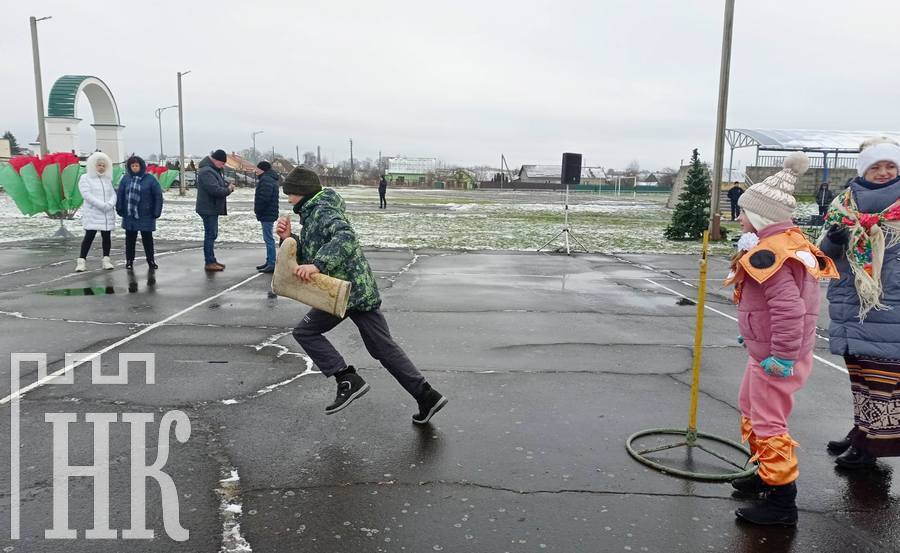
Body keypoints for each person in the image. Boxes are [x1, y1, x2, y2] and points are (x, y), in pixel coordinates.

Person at [276, 166, 448, 423]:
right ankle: (427, 397)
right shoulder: (313, 213)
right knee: (383, 347)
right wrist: (290, 239)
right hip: (357, 290)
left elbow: (346, 238)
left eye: (290, 193)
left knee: (305, 332)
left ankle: (347, 379)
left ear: (301, 192)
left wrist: (318, 265)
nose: (288, 199)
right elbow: (314, 250)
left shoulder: (322, 210)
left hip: (343, 293)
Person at [724, 153, 838, 526]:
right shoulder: (786, 242)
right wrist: (756, 336)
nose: (740, 219)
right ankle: (764, 474)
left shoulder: (770, 253)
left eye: (743, 213)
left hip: (777, 357)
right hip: (766, 351)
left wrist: (783, 355)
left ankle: (781, 501)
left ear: (759, 216)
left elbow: (791, 310)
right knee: (749, 407)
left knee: (769, 421)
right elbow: (774, 309)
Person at [818, 137, 900, 469]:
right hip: (851, 301)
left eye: (890, 166)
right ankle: (862, 431)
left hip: (889, 303)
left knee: (882, 378)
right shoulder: (845, 204)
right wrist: (833, 240)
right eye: (876, 166)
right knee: (860, 376)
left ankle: (872, 447)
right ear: (863, 169)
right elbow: (825, 251)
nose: (883, 172)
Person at [116, 155, 163, 271]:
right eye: (132, 166)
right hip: (130, 215)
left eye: (137, 165)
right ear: (129, 167)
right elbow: (120, 194)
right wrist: (120, 208)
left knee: (147, 239)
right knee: (130, 240)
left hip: (146, 214)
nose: (135, 168)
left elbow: (158, 196)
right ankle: (129, 261)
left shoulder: (150, 179)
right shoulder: (126, 179)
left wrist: (157, 211)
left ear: (141, 166)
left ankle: (151, 260)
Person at [75, 151, 117, 272]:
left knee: (106, 237)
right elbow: (86, 195)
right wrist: (101, 205)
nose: (101, 167)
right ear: (94, 165)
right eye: (99, 165)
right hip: (93, 213)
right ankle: (81, 261)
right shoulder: (85, 178)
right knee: (89, 237)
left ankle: (106, 260)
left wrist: (110, 204)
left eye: (104, 165)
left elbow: (113, 194)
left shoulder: (107, 180)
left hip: (106, 214)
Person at [196, 149, 235, 271]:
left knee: (212, 234)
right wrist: (228, 190)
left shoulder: (213, 170)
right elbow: (215, 190)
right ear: (216, 160)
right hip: (208, 208)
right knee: (210, 235)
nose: (223, 166)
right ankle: (209, 262)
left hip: (211, 208)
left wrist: (226, 185)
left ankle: (212, 260)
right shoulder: (207, 171)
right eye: (222, 163)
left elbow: (219, 184)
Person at [253, 160, 280, 273]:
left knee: (268, 238)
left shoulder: (266, 180)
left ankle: (272, 262)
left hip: (267, 213)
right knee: (268, 238)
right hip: (268, 213)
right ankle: (269, 260)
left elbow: (264, 198)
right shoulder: (268, 179)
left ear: (262, 169)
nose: (256, 171)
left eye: (257, 169)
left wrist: (258, 209)